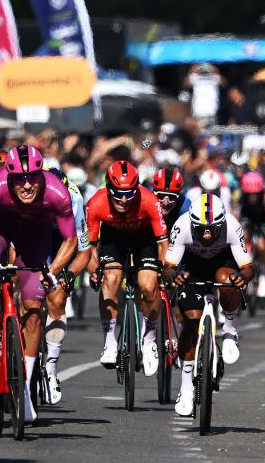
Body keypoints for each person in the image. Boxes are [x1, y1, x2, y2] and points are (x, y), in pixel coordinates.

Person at [0, 146, 77, 423]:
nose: (26, 185)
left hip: (35, 235)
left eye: (33, 178)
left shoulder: (57, 192)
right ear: (9, 178)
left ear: (41, 175)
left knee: (34, 310)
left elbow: (70, 240)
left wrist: (52, 271)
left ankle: (23, 390)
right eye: (19, 179)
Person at [164, 193, 254, 417]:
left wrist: (243, 279)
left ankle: (230, 331)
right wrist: (174, 276)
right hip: (192, 265)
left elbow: (248, 267)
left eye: (213, 229)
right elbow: (168, 266)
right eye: (201, 228)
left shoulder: (232, 226)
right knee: (191, 322)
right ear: (192, 223)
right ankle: (185, 388)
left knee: (228, 282)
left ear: (221, 224)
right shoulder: (182, 225)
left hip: (223, 263)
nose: (206, 234)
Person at [86, 160, 168, 375]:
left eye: (130, 194)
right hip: (114, 238)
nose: (124, 199)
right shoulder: (96, 203)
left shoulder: (150, 201)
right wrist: (95, 270)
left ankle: (149, 339)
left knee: (148, 285)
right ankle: (110, 341)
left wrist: (163, 269)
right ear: (108, 189)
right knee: (110, 278)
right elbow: (89, 247)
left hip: (144, 239)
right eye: (118, 194)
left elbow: (163, 244)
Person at [42, 166, 92, 403]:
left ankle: (51, 369)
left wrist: (68, 276)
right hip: (33, 233)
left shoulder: (74, 199)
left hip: (63, 240)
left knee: (57, 296)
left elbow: (83, 252)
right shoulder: (27, 194)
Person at [236, 171, 265, 299]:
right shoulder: (238, 196)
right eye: (250, 194)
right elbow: (235, 215)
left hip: (263, 219)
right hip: (246, 218)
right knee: (243, 238)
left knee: (262, 244)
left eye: (256, 194)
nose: (253, 197)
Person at [152, 167, 190, 233]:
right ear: (153, 193)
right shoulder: (145, 199)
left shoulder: (185, 208)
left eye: (171, 197)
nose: (165, 203)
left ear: (178, 196)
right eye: (161, 196)